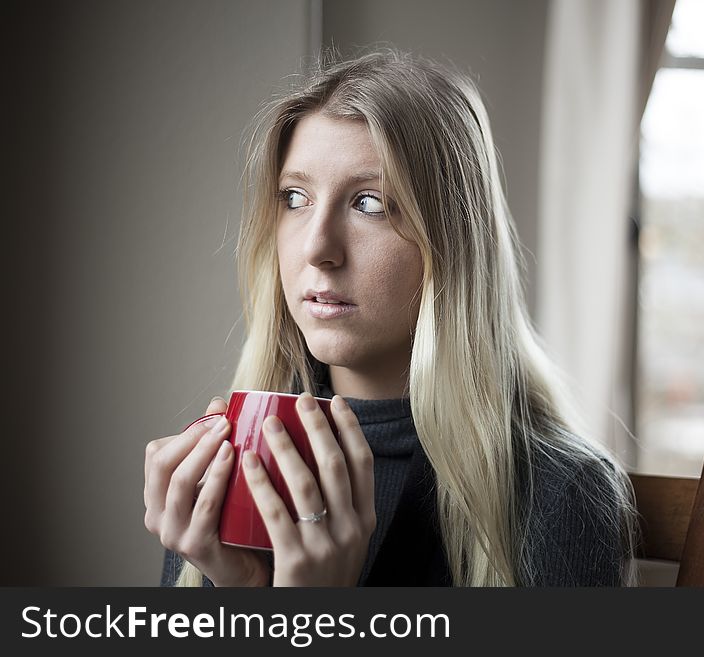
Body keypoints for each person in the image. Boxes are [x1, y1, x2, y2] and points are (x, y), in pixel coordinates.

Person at [144, 48, 638, 587]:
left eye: (370, 204)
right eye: (295, 197)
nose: (318, 248)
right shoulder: (224, 474)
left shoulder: (560, 496)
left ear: (452, 242)